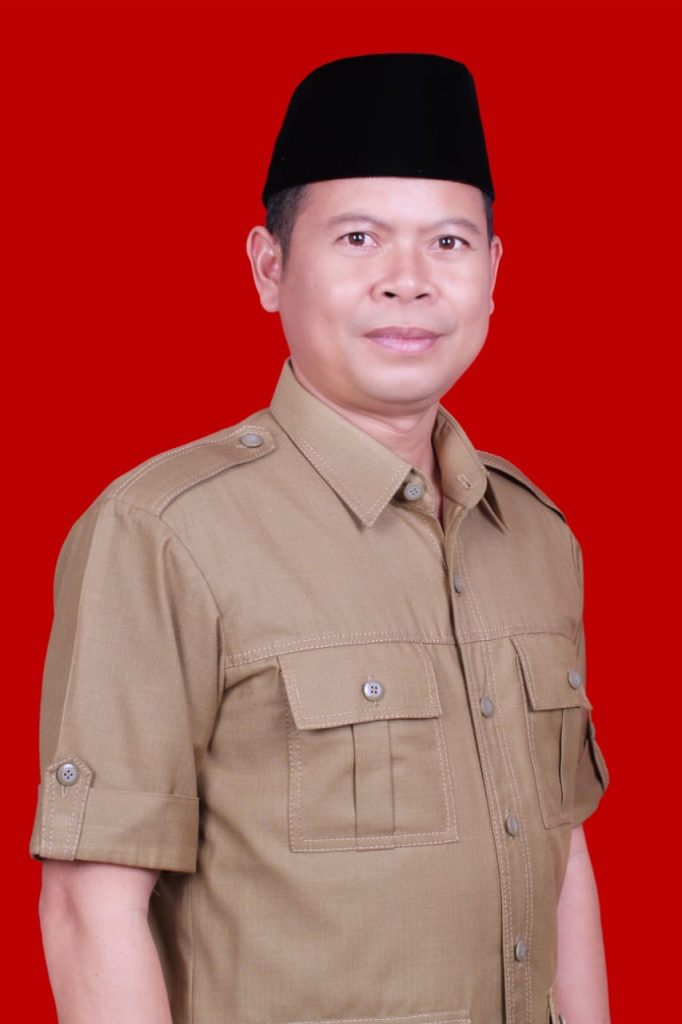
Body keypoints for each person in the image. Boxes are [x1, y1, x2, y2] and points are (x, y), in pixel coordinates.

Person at [31, 53, 610, 1024]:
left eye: (449, 242)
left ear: (494, 274)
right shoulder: (165, 532)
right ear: (270, 267)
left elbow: (561, 855)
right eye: (358, 238)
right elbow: (91, 905)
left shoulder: (533, 534)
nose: (408, 283)